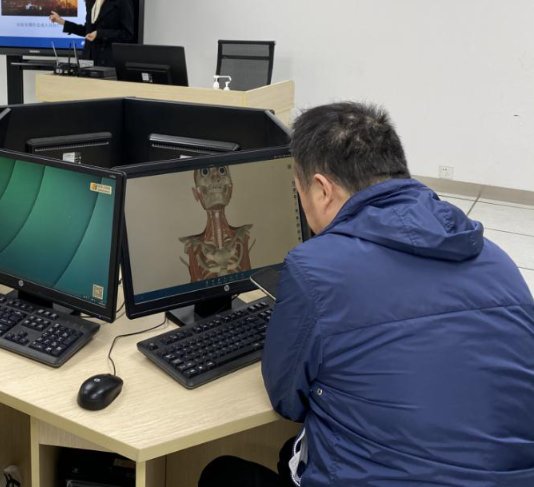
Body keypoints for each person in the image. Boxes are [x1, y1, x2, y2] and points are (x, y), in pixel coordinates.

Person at [200, 102, 534, 487]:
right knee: (291, 450)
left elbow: (287, 401)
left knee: (221, 473)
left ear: (321, 189)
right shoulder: (495, 258)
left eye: (298, 191)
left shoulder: (315, 269)